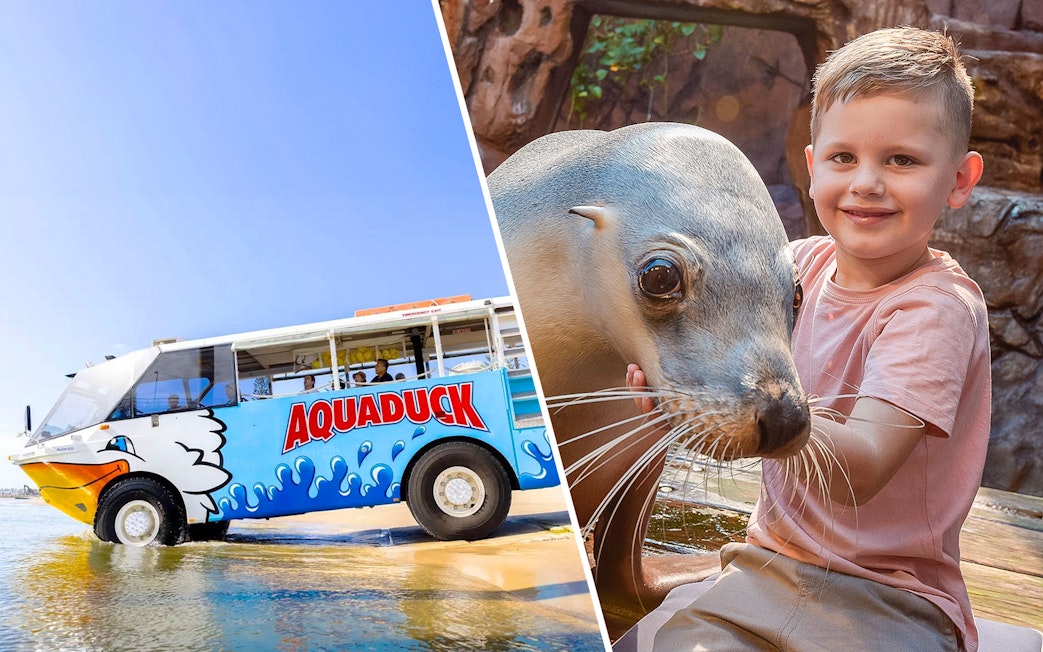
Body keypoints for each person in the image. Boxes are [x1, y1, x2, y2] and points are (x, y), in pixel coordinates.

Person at [625, 27, 988, 651]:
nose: (866, 182)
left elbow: (867, 466)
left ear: (958, 180)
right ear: (812, 165)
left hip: (892, 598)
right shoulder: (793, 269)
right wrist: (684, 403)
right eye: (844, 158)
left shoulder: (935, 309)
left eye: (901, 160)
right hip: (767, 567)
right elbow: (740, 437)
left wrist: (748, 409)